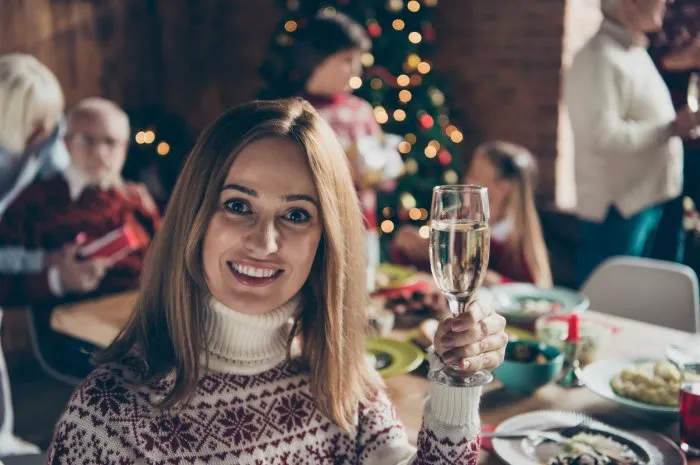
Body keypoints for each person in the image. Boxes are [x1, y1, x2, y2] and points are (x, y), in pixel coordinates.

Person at [47, 99, 507, 463]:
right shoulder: (107, 416)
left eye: (295, 215)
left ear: (324, 241)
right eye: (238, 205)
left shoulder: (342, 379)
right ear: (195, 218)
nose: (264, 242)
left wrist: (455, 383)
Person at [266, 11, 404, 292]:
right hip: (315, 232)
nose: (355, 71)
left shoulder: (361, 111)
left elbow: (386, 174)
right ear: (317, 60)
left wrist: (379, 170)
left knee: (358, 294)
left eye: (357, 61)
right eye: (346, 61)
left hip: (362, 229)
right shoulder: (294, 115)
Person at [565, 0, 699, 288]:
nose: (667, 2)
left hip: (650, 199)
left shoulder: (633, 52)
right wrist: (671, 128)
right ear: (627, 6)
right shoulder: (597, 57)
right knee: (607, 308)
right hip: (620, 209)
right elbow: (604, 137)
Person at [0, 97, 161, 307]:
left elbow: (169, 257)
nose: (100, 153)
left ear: (124, 149)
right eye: (87, 140)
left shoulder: (137, 199)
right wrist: (56, 281)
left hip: (143, 313)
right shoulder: (33, 201)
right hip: (69, 325)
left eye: (110, 142)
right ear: (66, 143)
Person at [0, 53, 70, 455]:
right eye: (33, 119)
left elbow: (61, 168)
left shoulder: (46, 132)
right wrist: (40, 265)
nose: (45, 128)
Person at [392, 141, 553, 287]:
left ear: (504, 188)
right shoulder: (462, 227)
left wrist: (495, 281)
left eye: (475, 176)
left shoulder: (516, 243)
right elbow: (437, 273)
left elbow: (536, 293)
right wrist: (408, 245)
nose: (467, 180)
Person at [647, 0, 700, 263]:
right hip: (665, 141)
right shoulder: (658, 10)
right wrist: (680, 60)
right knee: (666, 237)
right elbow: (634, 67)